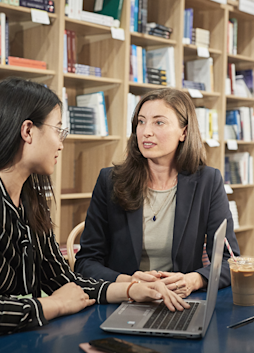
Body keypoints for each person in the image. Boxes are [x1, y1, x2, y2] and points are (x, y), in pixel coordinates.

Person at [0, 78, 188, 353]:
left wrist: (130, 289)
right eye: (58, 130)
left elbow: (61, 280)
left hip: (17, 337)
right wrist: (55, 304)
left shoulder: (31, 199)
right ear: (28, 131)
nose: (61, 144)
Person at [75, 88, 240, 298]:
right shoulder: (110, 180)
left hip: (182, 300)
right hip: (124, 299)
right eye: (141, 122)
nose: (146, 131)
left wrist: (194, 279)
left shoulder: (208, 181)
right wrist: (130, 283)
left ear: (184, 132)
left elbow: (230, 260)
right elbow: (86, 262)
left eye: (158, 122)